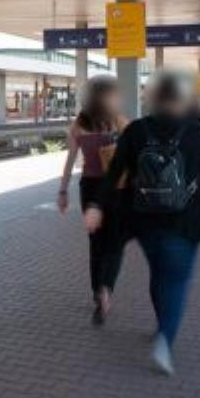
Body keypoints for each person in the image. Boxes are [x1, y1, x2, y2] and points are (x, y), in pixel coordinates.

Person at [85, 71, 200, 374]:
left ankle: (160, 325)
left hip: (144, 221)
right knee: (176, 281)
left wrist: (96, 205)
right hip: (185, 222)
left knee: (158, 271)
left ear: (154, 98)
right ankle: (164, 341)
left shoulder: (136, 130)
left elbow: (114, 174)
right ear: (182, 99)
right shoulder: (196, 132)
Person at [57, 75, 128, 325]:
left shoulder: (79, 124)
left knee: (96, 243)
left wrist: (63, 191)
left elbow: (70, 161)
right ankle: (107, 287)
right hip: (116, 189)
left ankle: (98, 293)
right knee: (116, 242)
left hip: (89, 188)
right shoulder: (118, 121)